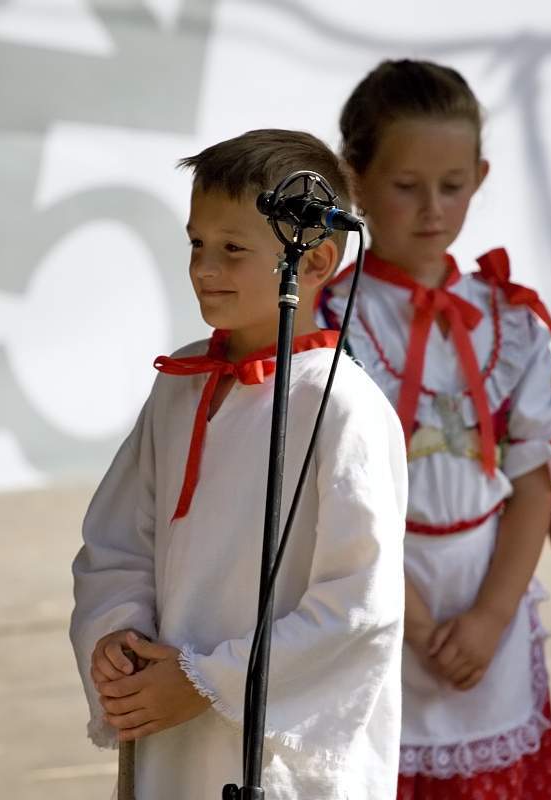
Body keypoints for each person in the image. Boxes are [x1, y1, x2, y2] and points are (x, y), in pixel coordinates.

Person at [70, 129, 408, 799]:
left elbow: (360, 605)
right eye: (196, 243)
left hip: (277, 760)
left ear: (317, 261)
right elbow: (117, 544)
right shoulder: (180, 384)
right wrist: (119, 637)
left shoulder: (341, 404)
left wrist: (210, 682)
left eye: (232, 249)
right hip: (168, 732)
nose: (204, 268)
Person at [323, 59, 551, 799]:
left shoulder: (510, 321)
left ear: (480, 176)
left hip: (486, 599)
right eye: (407, 186)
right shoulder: (327, 322)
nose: (432, 209)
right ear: (355, 180)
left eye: (453, 185)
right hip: (370, 599)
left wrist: (493, 616)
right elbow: (326, 495)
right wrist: (410, 620)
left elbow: (532, 480)